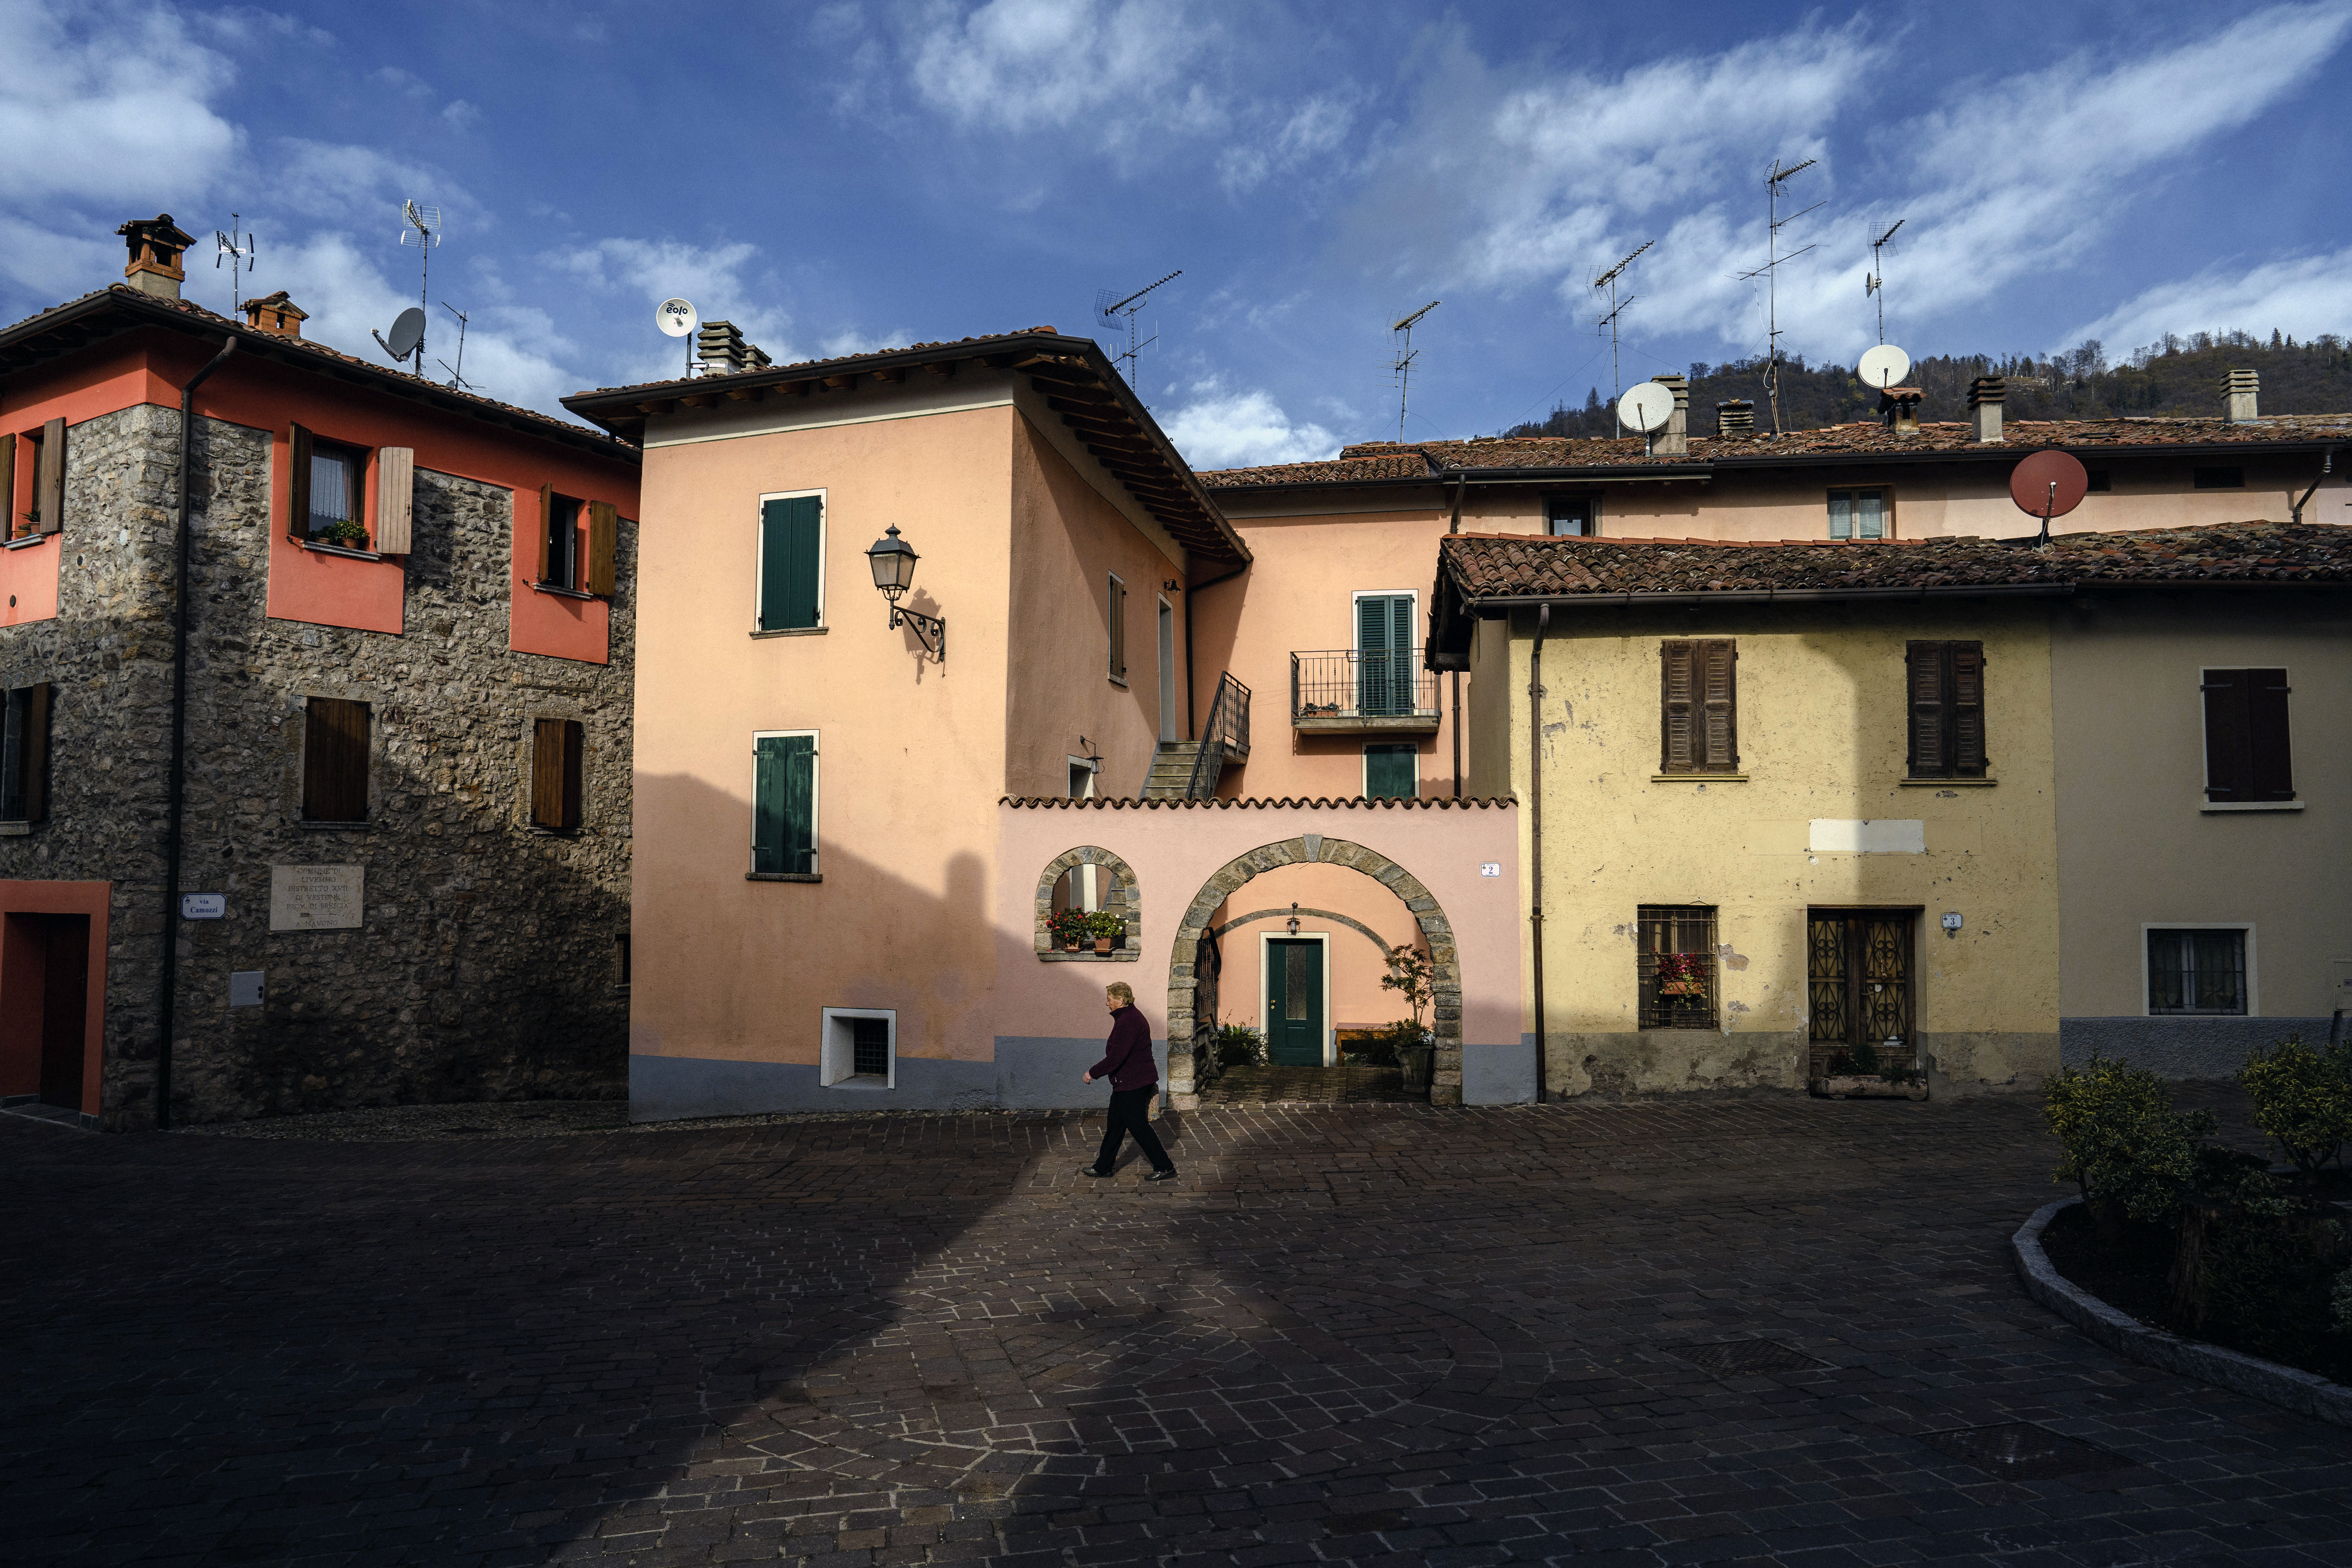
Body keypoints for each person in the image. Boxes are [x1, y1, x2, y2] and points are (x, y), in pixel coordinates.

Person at [1081, 981, 1177, 1181]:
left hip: (1132, 1083)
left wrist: (1093, 1072)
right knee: (1115, 1125)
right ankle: (1103, 1167)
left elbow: (1117, 1056)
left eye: (1109, 1000)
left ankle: (1165, 1166)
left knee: (1138, 1126)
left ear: (1121, 1000)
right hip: (1128, 1082)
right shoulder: (1128, 1017)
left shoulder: (1129, 1021)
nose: (1107, 1004)